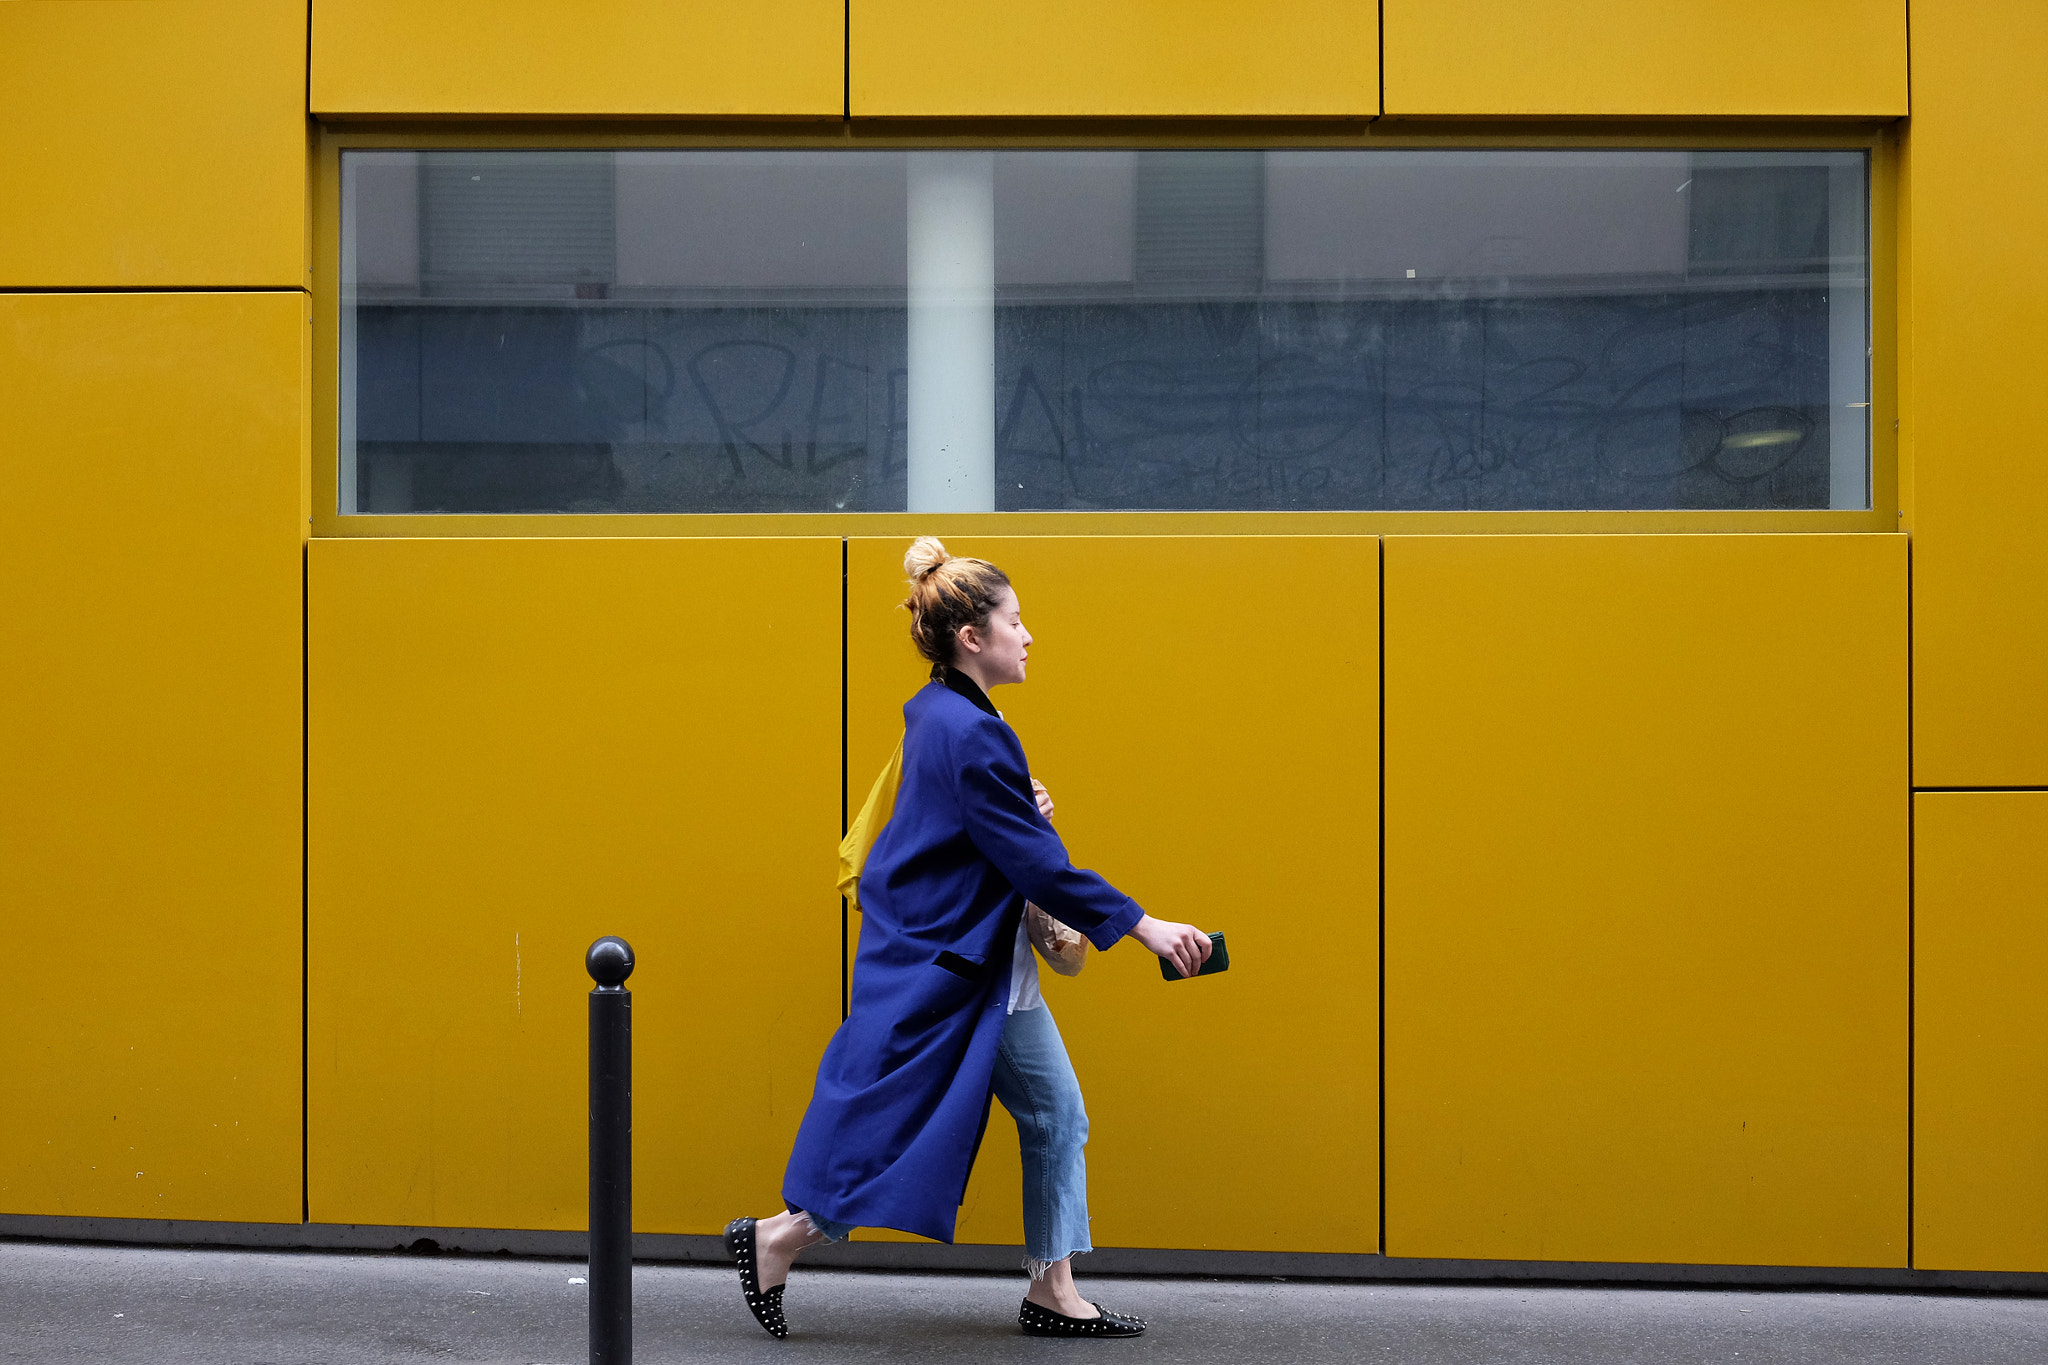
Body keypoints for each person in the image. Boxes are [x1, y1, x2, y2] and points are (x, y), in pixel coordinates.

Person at [725, 536, 1213, 1340]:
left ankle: (1053, 1289)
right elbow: (1035, 867)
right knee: (901, 1121)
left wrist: (1023, 818)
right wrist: (1147, 925)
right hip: (958, 969)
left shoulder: (945, 716)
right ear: (971, 638)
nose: (1029, 635)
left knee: (1055, 1115)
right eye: (1015, 620)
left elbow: (978, 838)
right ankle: (779, 1236)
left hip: (980, 964)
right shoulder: (973, 731)